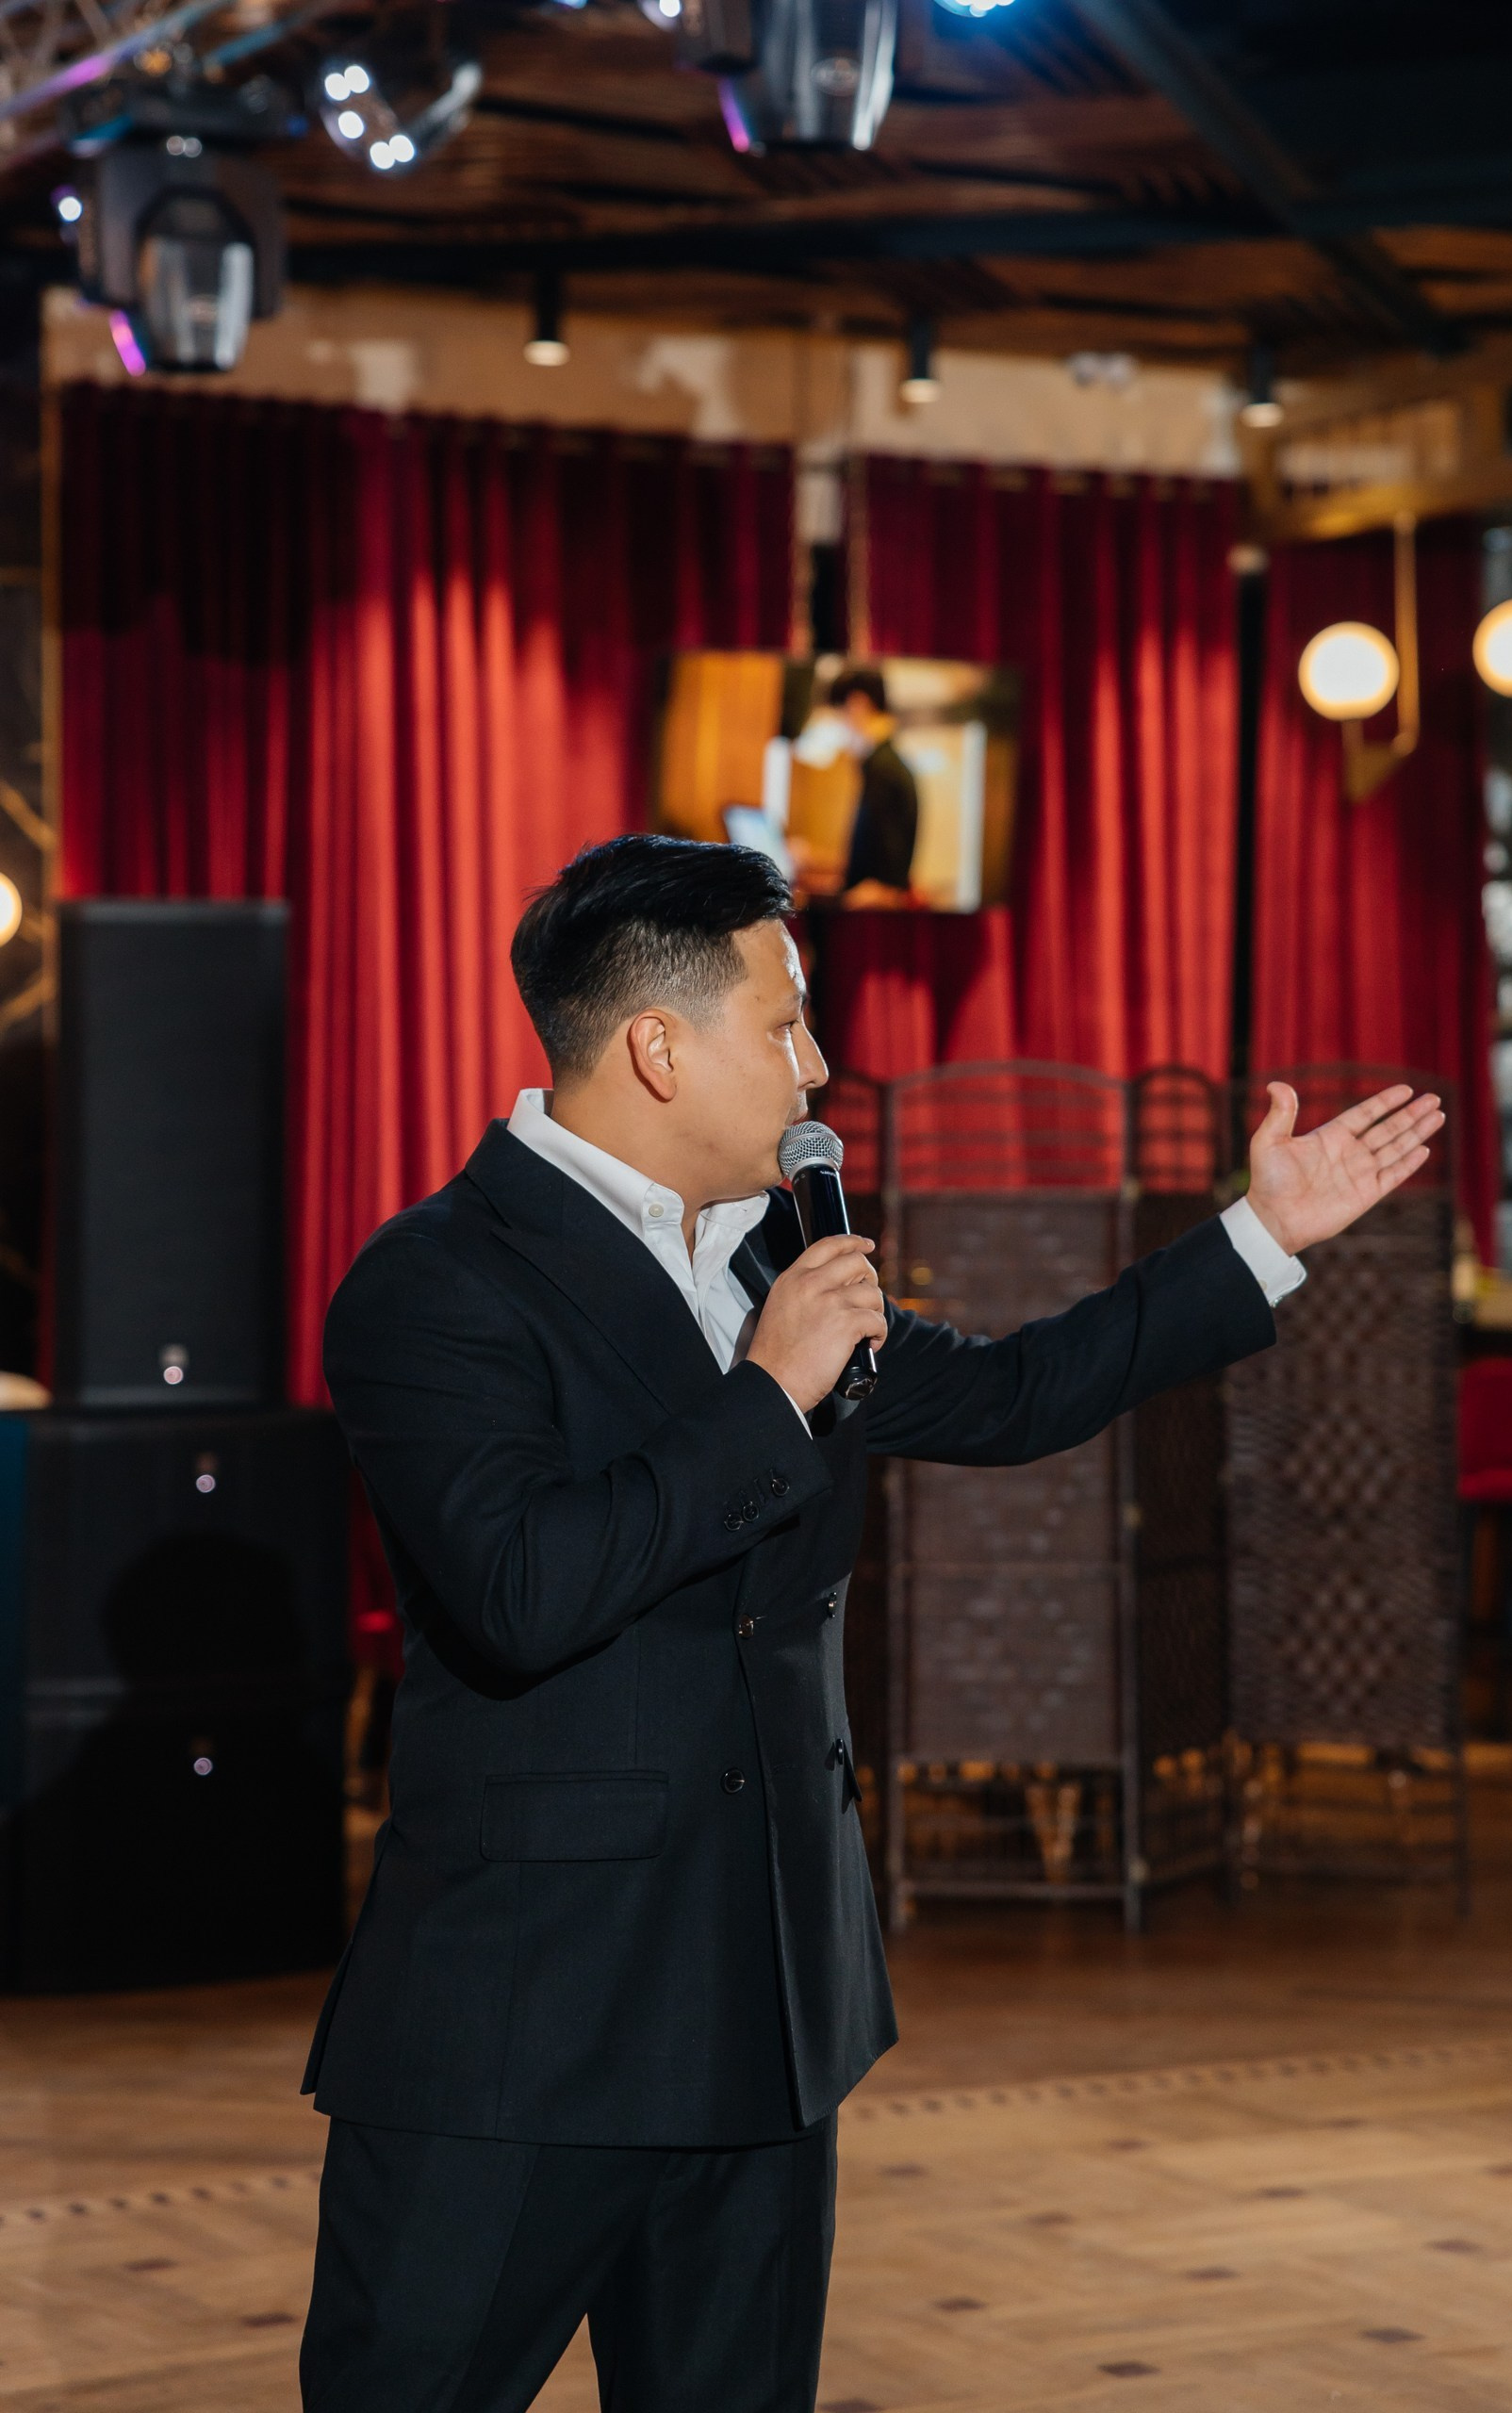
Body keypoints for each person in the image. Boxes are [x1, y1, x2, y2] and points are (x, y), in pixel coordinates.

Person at [299, 833, 1442, 2413]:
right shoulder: (435, 1282)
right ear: (655, 1047)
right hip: (520, 2031)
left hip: (767, 2011)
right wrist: (767, 1393)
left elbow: (1017, 1394)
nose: (819, 1068)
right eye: (783, 1024)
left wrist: (1259, 1236)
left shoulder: (779, 1252)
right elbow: (520, 1591)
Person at [828, 665, 920, 902]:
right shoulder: (884, 761)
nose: (842, 726)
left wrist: (875, 890)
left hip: (872, 904)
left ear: (858, 704)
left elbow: (887, 865)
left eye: (841, 714)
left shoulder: (882, 766)